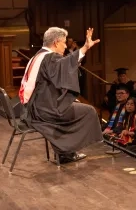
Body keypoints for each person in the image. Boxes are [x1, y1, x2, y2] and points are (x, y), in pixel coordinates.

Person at [19, 27, 102, 164]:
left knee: (71, 105)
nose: (65, 46)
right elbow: (65, 65)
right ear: (56, 42)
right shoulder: (50, 57)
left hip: (33, 108)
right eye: (64, 43)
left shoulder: (37, 56)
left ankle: (65, 151)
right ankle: (66, 152)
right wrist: (85, 48)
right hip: (43, 111)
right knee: (89, 112)